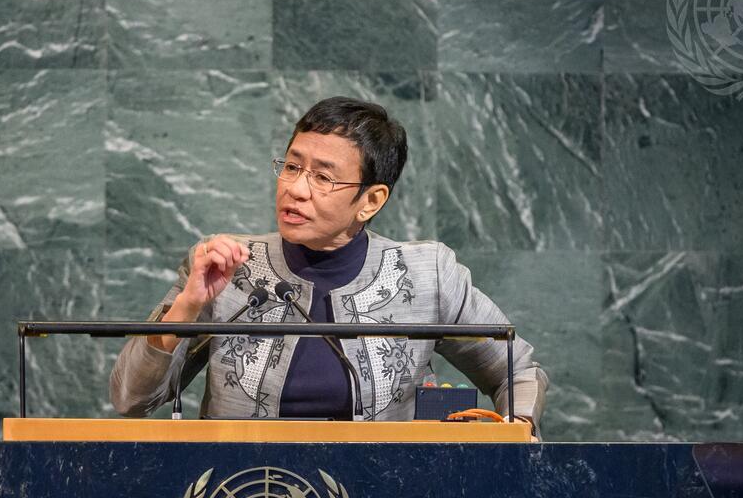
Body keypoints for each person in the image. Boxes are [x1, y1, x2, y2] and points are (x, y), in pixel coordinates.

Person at [109, 97, 548, 431]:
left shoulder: (426, 273)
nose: (296, 189)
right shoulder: (227, 266)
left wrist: (512, 436)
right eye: (291, 166)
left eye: (322, 177)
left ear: (371, 200)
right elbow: (131, 399)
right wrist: (188, 304)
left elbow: (519, 370)